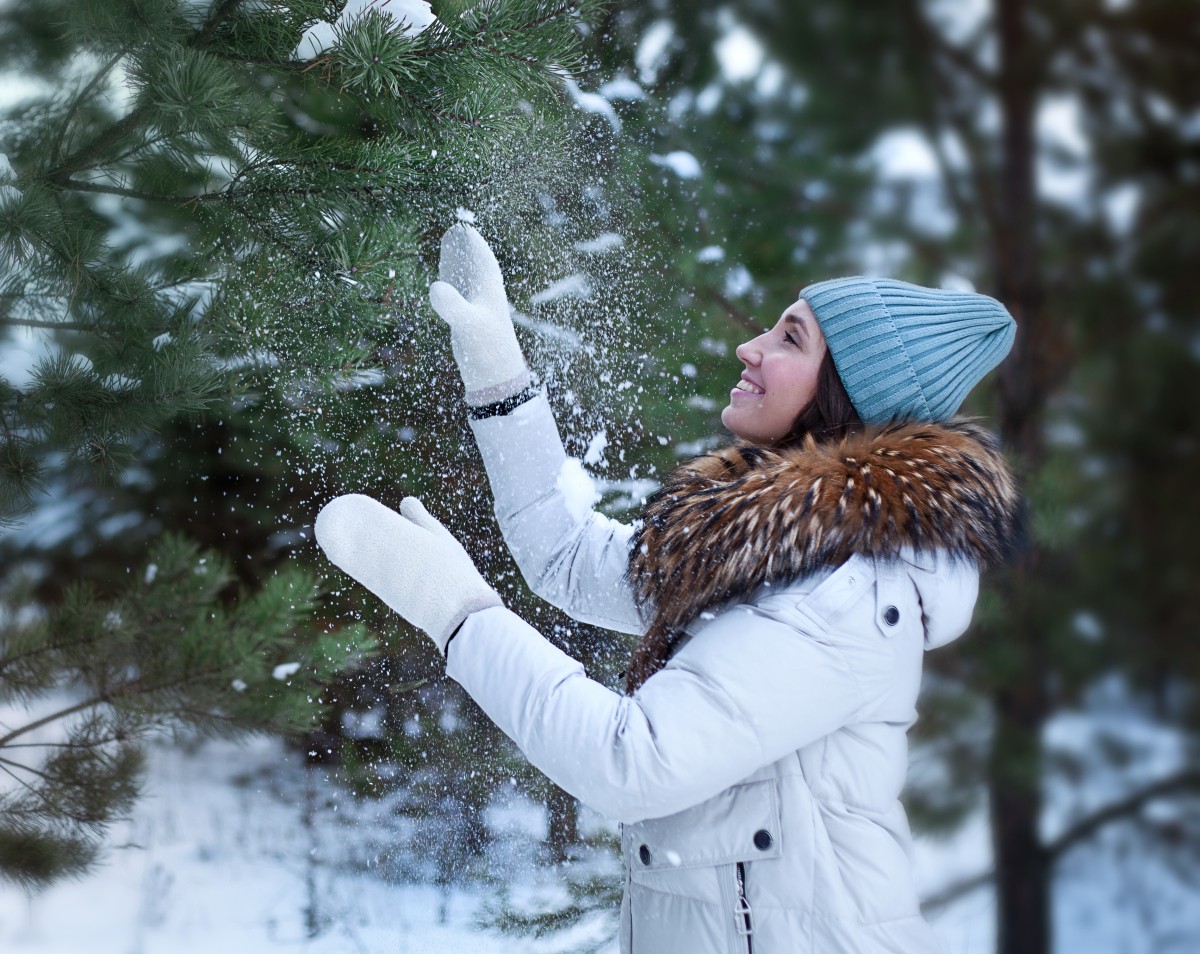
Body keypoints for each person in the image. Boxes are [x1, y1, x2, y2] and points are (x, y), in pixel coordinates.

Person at [314, 225, 1019, 953]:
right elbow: (565, 555)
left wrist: (457, 614)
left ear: (845, 399)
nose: (752, 348)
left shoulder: (847, 597)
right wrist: (500, 379)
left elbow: (631, 762)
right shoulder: (758, 551)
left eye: (791, 340)